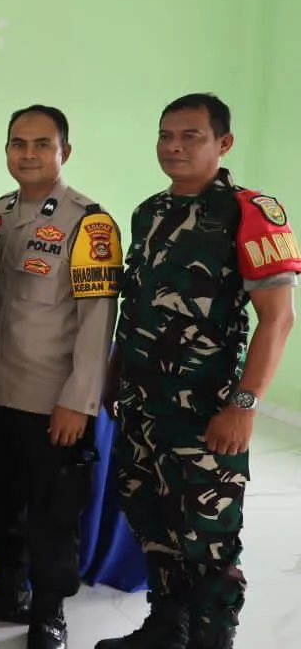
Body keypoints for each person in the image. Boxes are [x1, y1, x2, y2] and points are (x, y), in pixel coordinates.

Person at [96, 94, 299, 649]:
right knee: (152, 522)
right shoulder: (149, 213)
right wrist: (114, 376)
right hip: (142, 405)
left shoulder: (248, 212)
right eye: (166, 135)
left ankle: (212, 639)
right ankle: (167, 627)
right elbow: (136, 307)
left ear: (223, 143)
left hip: (206, 412)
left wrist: (245, 406)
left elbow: (278, 319)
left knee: (208, 541)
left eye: (191, 135)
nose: (175, 146)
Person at [0, 105, 122, 649]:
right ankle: (9, 592)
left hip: (51, 399)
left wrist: (80, 400)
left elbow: (98, 321)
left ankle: (49, 611)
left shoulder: (89, 223)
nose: (27, 154)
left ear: (63, 152)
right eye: (18, 143)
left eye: (41, 144)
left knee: (53, 513)